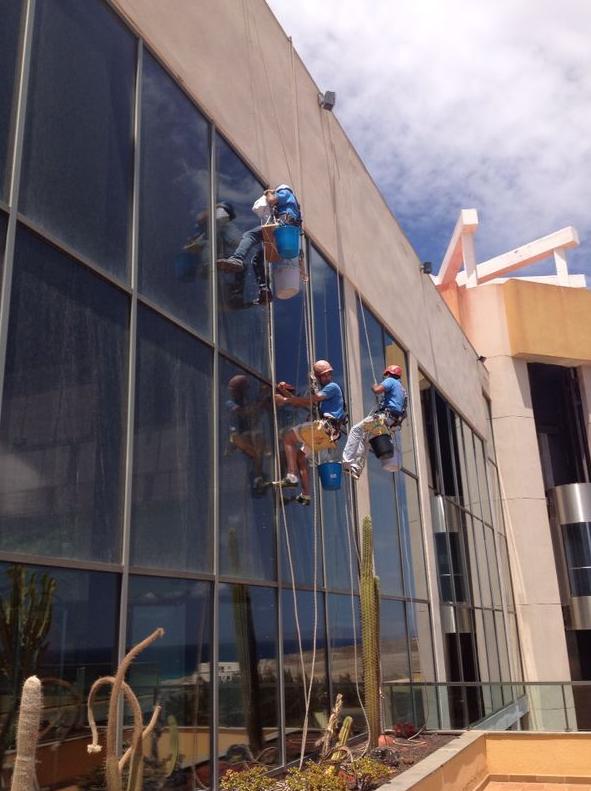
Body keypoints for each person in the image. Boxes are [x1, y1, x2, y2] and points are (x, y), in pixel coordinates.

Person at [217, 184, 302, 306]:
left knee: (250, 235)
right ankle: (264, 289)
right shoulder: (296, 208)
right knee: (257, 259)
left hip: (281, 228)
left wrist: (268, 192)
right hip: (287, 236)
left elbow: (272, 200)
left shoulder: (286, 193)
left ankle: (237, 258)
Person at [275, 360, 345, 505]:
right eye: (324, 375)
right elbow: (305, 401)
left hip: (325, 428)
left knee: (288, 438)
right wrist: (285, 392)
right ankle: (306, 494)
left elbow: (312, 399)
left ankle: (291, 475)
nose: (327, 378)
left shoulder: (332, 387)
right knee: (300, 457)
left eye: (328, 375)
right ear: (319, 377)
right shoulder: (324, 393)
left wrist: (285, 399)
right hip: (327, 435)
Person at [342, 364, 407, 480]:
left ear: (389, 374)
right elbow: (404, 413)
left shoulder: (391, 381)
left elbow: (377, 390)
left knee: (355, 430)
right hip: (392, 421)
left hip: (383, 418)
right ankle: (356, 469)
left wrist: (374, 386)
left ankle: (346, 461)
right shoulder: (403, 390)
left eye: (385, 376)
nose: (385, 378)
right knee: (365, 437)